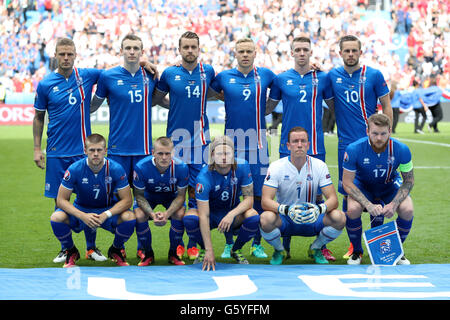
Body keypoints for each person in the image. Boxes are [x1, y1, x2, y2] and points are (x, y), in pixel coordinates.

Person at [33, 37, 103, 262]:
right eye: (61, 54)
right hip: (55, 152)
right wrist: (37, 148)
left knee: (90, 200)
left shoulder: (87, 76)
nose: (65, 58)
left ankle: (91, 248)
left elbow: (115, 72)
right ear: (55, 55)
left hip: (83, 152)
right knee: (59, 203)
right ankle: (68, 248)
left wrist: (141, 64)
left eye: (69, 54)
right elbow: (38, 117)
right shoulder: (45, 84)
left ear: (75, 54)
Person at [265, 36, 335, 260]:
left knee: (317, 197)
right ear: (292, 53)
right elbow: (269, 107)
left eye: (306, 49)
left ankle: (320, 245)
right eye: (298, 50)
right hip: (289, 145)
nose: (302, 53)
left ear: (311, 52)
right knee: (285, 195)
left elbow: (336, 106)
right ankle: (283, 247)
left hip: (315, 145)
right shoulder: (281, 79)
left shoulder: (323, 78)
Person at [327, 35, 393, 259]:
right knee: (349, 198)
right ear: (340, 53)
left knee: (376, 194)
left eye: (354, 50)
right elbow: (326, 98)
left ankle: (377, 244)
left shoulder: (373, 75)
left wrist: (387, 136)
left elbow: (386, 105)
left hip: (373, 144)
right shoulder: (332, 76)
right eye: (347, 51)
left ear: (360, 52)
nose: (351, 54)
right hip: (346, 145)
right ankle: (354, 246)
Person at [209, 37, 276, 259]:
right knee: (231, 195)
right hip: (231, 148)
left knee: (258, 195)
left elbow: (279, 92)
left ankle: (256, 243)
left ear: (255, 53)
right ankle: (229, 244)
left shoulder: (266, 75)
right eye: (241, 51)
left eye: (249, 51)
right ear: (234, 54)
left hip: (258, 147)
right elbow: (210, 91)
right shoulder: (224, 77)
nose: (245, 55)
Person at [153, 31, 216, 259]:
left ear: (199, 49)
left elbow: (219, 92)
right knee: (176, 196)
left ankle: (193, 243)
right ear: (179, 50)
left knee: (196, 195)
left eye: (193, 47)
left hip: (200, 145)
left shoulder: (208, 71)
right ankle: (176, 245)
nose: (190, 51)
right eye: (186, 47)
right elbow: (157, 99)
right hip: (175, 146)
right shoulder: (170, 73)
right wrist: (175, 104)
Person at [260, 126, 346, 265]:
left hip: (311, 216)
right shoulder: (276, 166)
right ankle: (279, 250)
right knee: (265, 218)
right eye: (295, 141)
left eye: (303, 141)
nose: (299, 145)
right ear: (288, 145)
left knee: (339, 217)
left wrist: (318, 209)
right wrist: (287, 210)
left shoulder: (319, 165)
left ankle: (316, 248)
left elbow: (333, 200)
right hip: (285, 218)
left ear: (308, 145)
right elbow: (265, 201)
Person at [50, 133, 135, 267]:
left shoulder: (116, 168)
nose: (96, 154)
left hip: (106, 211)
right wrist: (82, 216)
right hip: (81, 210)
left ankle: (116, 249)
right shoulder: (75, 169)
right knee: (56, 217)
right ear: (85, 151)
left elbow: (127, 201)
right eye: (92, 150)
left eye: (99, 150)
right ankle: (71, 250)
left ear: (105, 151)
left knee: (129, 216)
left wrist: (106, 214)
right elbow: (61, 200)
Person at [342, 113, 414, 265]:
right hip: (363, 186)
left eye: (383, 133)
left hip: (389, 186)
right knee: (353, 208)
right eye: (375, 133)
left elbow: (409, 181)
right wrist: (368, 204)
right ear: (367, 131)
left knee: (408, 209)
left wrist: (393, 204)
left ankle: (396, 251)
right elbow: (347, 183)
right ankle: (356, 251)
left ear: (390, 131)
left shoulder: (402, 149)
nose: (379, 138)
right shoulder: (354, 149)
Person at [90, 34, 161, 184]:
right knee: (117, 197)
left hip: (143, 149)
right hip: (117, 149)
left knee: (141, 198)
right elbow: (93, 106)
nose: (132, 51)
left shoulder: (151, 75)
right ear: (121, 50)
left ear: (142, 52)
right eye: (128, 48)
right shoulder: (108, 76)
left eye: (136, 48)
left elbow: (160, 100)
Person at [182, 136, 260, 271]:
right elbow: (204, 215)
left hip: (232, 213)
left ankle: (236, 250)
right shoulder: (203, 177)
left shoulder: (243, 166)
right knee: (189, 218)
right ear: (212, 155)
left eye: (227, 153)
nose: (223, 157)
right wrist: (209, 249)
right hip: (210, 215)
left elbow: (249, 200)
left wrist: (231, 214)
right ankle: (203, 249)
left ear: (233, 154)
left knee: (253, 216)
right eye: (219, 153)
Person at [132, 136, 190, 266]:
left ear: (173, 153)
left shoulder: (182, 167)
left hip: (171, 196)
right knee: (140, 215)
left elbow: (181, 196)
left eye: (167, 153)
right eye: (160, 153)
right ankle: (148, 253)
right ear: (153, 153)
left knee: (180, 213)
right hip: (148, 196)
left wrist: (167, 214)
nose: (164, 157)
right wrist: (152, 215)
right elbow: (139, 196)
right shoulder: (141, 167)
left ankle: (173, 253)